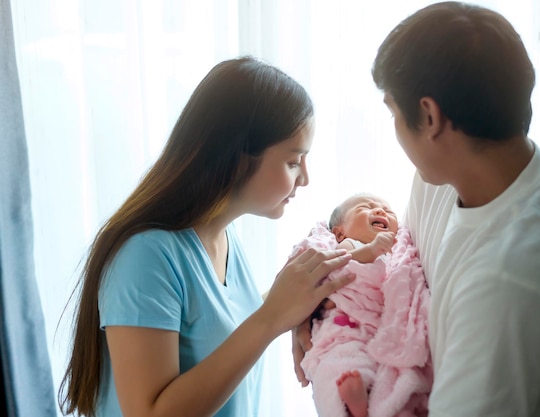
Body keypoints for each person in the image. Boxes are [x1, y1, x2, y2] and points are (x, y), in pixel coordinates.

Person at [293, 3, 540, 417]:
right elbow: (395, 263)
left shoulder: (508, 287)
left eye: (394, 113)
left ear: (430, 117)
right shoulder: (451, 175)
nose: (395, 130)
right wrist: (319, 307)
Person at [57, 56, 356, 417]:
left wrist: (297, 304)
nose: (304, 178)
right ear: (238, 156)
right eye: (294, 161)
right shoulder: (145, 257)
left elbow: (216, 326)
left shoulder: (223, 239)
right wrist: (273, 317)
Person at [295, 193, 431, 417]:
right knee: (337, 365)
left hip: (376, 330)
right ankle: (346, 404)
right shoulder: (347, 245)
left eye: (387, 210)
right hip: (343, 327)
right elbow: (338, 265)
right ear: (340, 232)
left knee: (387, 373)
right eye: (366, 207)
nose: (380, 211)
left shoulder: (398, 252)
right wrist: (371, 250)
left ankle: (376, 405)